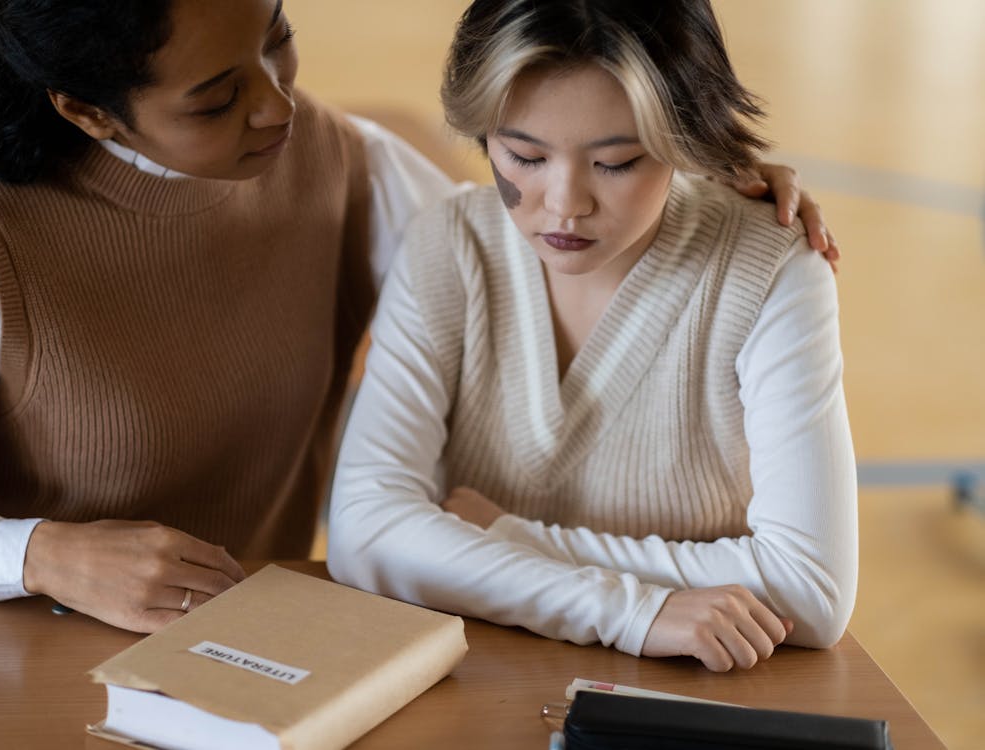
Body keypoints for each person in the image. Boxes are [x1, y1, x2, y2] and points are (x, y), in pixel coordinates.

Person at [0, 0, 835, 746]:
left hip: (235, 667)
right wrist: (37, 554)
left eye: (275, 41)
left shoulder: (344, 167)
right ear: (91, 112)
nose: (277, 103)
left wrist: (705, 175)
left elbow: (525, 233)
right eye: (217, 96)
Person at [327, 0, 857, 675]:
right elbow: (365, 534)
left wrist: (497, 537)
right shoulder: (447, 242)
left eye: (616, 163)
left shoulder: (771, 269)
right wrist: (633, 611)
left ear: (685, 143)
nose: (563, 202)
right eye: (522, 154)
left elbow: (808, 591)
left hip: (699, 694)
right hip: (481, 681)